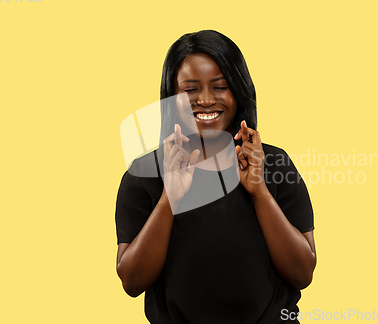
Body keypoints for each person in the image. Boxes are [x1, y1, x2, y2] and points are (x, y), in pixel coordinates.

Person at [115, 30, 316, 323]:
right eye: (190, 90)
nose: (206, 100)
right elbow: (132, 282)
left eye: (220, 86)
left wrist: (260, 192)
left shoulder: (274, 164)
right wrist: (169, 199)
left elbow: (302, 273)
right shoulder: (144, 174)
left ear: (239, 90)